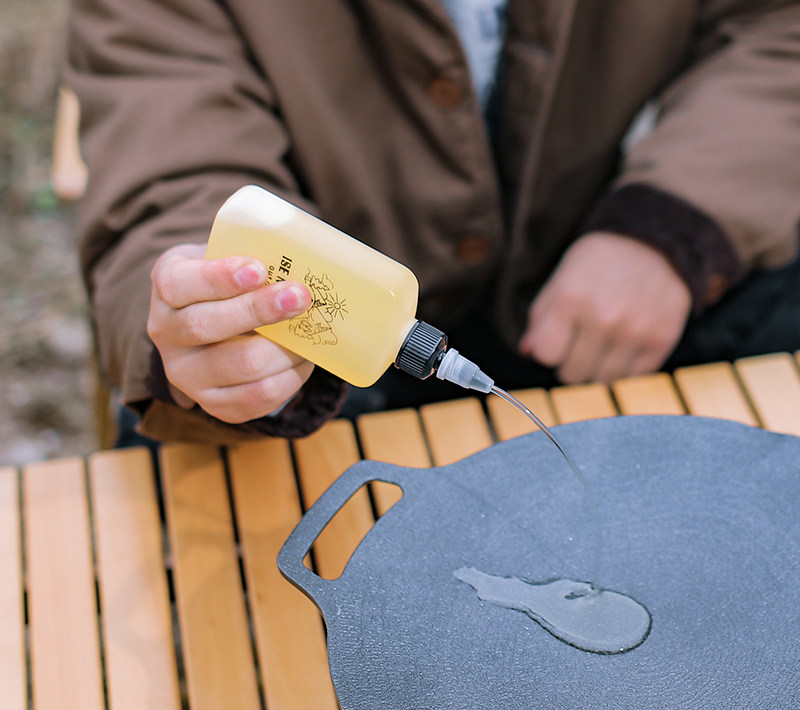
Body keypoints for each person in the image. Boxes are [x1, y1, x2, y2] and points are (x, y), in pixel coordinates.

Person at [64, 1, 800, 444]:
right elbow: (174, 177)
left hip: (601, 268)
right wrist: (208, 325)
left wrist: (673, 226)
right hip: (317, 376)